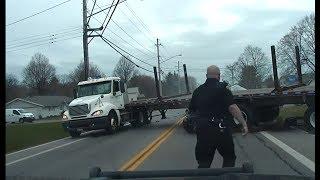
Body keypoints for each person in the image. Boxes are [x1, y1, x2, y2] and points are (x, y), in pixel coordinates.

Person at [188, 65, 248, 168]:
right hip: (221, 129)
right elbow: (233, 107)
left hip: (203, 130)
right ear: (219, 76)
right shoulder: (224, 90)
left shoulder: (198, 91)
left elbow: (192, 110)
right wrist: (244, 123)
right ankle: (226, 176)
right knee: (229, 158)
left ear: (206, 76)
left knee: (204, 163)